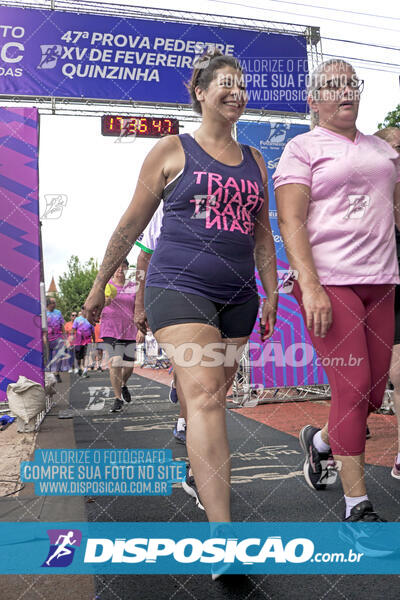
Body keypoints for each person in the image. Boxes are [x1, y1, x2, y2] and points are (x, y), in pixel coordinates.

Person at [84, 49, 277, 530]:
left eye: (242, 84)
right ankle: (223, 534)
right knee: (208, 395)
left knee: (206, 398)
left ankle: (196, 471)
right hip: (179, 285)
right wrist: (98, 284)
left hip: (238, 295)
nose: (237, 92)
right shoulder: (172, 149)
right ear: (201, 92)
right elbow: (132, 223)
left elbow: (262, 234)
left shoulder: (255, 160)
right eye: (226, 83)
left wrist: (270, 292)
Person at [274, 59, 400, 522]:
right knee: (351, 391)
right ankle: (357, 507)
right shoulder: (302, 148)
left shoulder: (385, 152)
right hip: (331, 281)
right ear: (314, 100)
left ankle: (321, 442)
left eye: (351, 83)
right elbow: (290, 220)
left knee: (370, 397)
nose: (345, 91)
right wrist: (310, 285)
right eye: (333, 86)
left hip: (383, 282)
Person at [135, 204, 187, 445]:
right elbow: (144, 256)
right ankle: (184, 422)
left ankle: (178, 380)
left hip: (221, 289)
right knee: (190, 363)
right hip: (174, 294)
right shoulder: (165, 206)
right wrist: (140, 304)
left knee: (207, 366)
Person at [374, 126, 400, 479]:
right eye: (395, 147)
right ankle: (323, 443)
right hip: (381, 299)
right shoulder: (366, 197)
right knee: (365, 392)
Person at [100, 258, 137, 413]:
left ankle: (123, 385)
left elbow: (139, 308)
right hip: (110, 328)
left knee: (128, 366)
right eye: (117, 266)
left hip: (129, 329)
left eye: (123, 266)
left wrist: (141, 329)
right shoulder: (105, 285)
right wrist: (105, 301)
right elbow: (96, 303)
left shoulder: (134, 287)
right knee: (115, 361)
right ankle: (117, 399)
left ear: (127, 269)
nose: (120, 269)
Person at [46, 297, 66, 382]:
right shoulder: (43, 313)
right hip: (47, 339)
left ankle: (57, 373)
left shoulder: (58, 312)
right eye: (53, 303)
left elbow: (62, 325)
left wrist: (65, 337)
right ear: (48, 304)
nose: (55, 304)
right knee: (49, 357)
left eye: (55, 303)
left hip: (58, 338)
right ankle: (50, 375)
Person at [72, 309, 95, 377]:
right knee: (78, 357)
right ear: (82, 311)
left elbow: (92, 332)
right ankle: (79, 369)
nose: (85, 312)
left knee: (86, 355)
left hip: (87, 341)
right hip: (78, 341)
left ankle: (85, 371)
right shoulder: (77, 319)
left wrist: (94, 341)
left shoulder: (90, 320)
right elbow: (73, 330)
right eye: (83, 310)